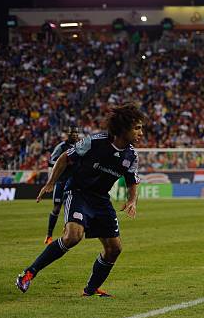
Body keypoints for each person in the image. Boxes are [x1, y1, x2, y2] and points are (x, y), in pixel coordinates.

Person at [16, 104, 146, 297]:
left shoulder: (131, 155)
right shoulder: (94, 142)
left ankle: (90, 290)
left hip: (101, 199)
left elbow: (131, 181)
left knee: (114, 249)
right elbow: (64, 158)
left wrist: (132, 200)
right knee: (73, 236)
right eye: (137, 128)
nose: (141, 133)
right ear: (123, 128)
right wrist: (51, 182)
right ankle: (27, 274)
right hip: (78, 192)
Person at [44, 126, 80, 245]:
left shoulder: (80, 146)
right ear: (68, 134)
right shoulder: (61, 147)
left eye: (76, 133)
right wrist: (64, 162)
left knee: (70, 207)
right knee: (57, 208)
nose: (74, 135)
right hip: (61, 181)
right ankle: (49, 235)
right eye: (72, 133)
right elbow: (51, 161)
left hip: (74, 182)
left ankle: (68, 231)